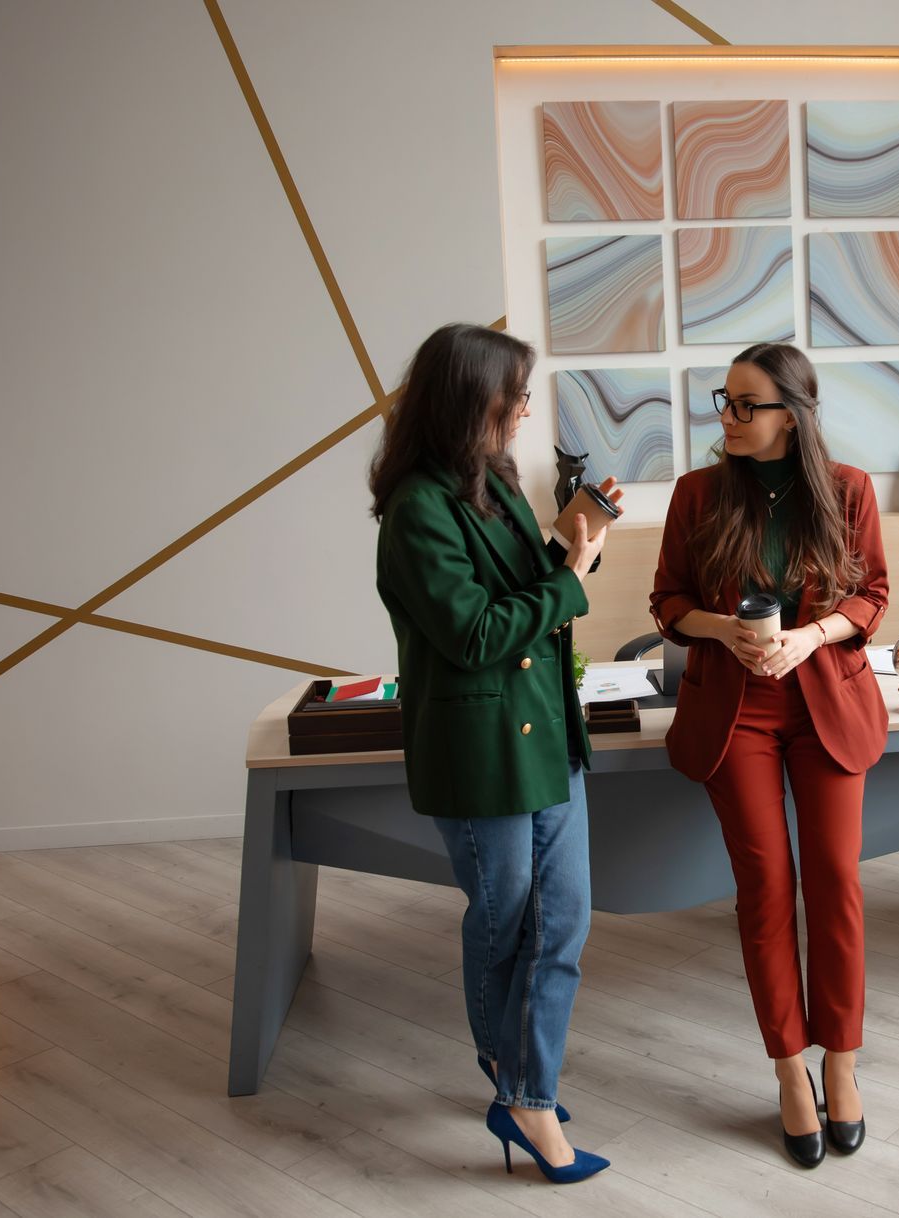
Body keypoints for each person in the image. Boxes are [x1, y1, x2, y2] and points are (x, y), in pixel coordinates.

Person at [371, 322, 620, 1184]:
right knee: (510, 922)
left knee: (562, 923)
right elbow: (474, 630)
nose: (521, 412)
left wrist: (572, 546)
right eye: (508, 396)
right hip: (481, 753)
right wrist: (568, 584)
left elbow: (523, 586)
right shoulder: (414, 511)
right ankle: (522, 1091)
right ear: (461, 400)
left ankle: (519, 1083)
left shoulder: (497, 483)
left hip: (544, 733)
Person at [649, 342, 890, 1167]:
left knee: (836, 879)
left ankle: (842, 1061)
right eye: (725, 401)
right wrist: (730, 632)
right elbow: (668, 601)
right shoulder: (698, 494)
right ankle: (790, 1072)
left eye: (745, 405)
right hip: (735, 708)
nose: (728, 417)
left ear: (794, 412)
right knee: (765, 887)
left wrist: (808, 636)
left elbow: (873, 596)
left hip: (826, 697)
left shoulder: (850, 490)